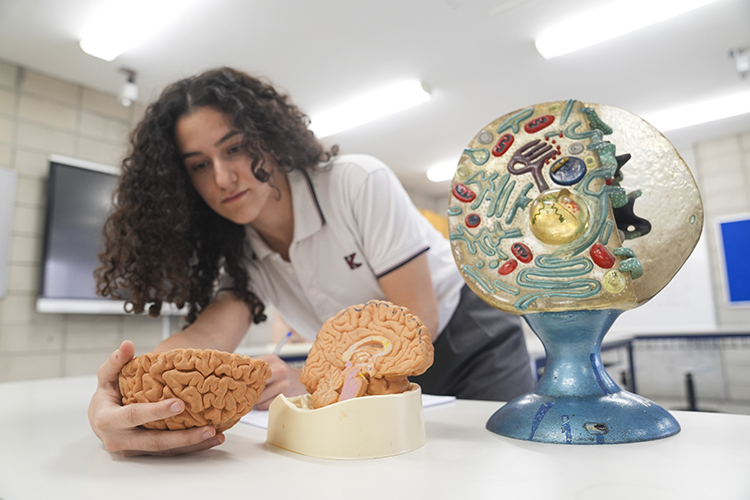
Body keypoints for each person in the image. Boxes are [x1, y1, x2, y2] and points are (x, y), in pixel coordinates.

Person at [88, 67, 534, 456]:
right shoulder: (240, 252)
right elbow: (205, 338)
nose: (223, 177)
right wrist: (122, 390)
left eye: (234, 148)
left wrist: (310, 378)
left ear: (268, 137)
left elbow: (417, 319)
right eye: (200, 166)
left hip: (469, 343)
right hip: (361, 374)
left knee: (498, 463)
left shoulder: (357, 183)